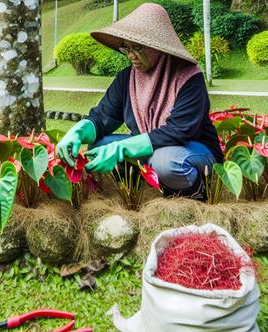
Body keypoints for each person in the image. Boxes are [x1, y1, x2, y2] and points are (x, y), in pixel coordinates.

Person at [55, 3, 223, 198]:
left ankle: (193, 193)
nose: (131, 55)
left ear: (157, 47)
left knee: (165, 163)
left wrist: (122, 147)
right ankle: (141, 190)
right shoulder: (127, 79)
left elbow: (179, 132)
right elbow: (102, 118)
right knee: (99, 145)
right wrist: (78, 132)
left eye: (137, 48)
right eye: (126, 48)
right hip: (149, 148)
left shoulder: (189, 78)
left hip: (191, 150)